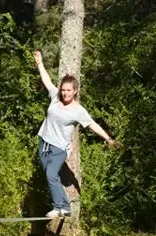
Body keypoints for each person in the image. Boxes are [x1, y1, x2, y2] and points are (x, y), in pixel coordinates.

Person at [33, 50, 120, 218]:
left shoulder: (78, 111)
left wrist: (108, 138)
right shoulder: (55, 97)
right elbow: (47, 81)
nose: (65, 93)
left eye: (68, 90)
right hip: (44, 142)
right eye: (63, 90)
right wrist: (40, 63)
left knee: (51, 174)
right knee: (50, 176)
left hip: (59, 147)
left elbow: (92, 124)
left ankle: (58, 206)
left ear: (75, 91)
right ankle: (65, 206)